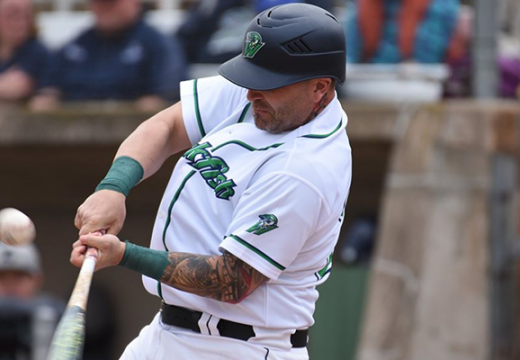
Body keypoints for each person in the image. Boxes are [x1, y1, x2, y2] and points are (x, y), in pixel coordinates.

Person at [71, 3, 351, 360]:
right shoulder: (269, 94)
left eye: (268, 84)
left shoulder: (307, 169)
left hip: (238, 347)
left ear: (320, 88)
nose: (251, 93)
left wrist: (125, 254)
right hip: (167, 333)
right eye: (252, 78)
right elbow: (166, 126)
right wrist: (113, 187)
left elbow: (232, 280)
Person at [30, 0, 186, 112]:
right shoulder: (78, 45)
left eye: (112, 3)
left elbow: (166, 97)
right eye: (99, 3)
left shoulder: (159, 44)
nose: (105, 8)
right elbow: (47, 90)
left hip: (132, 140)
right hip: (75, 139)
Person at [0, 243, 64, 360]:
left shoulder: (54, 312)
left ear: (37, 279)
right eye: (2, 276)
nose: (10, 283)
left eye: (19, 275)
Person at [344, 0, 460, 64]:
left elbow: (428, 61)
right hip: (368, 88)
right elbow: (348, 57)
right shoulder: (358, 8)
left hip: (422, 89)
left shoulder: (440, 7)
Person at [0, 0, 49, 101]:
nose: (19, 23)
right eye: (11, 16)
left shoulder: (39, 54)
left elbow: (47, 95)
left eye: (25, 16)